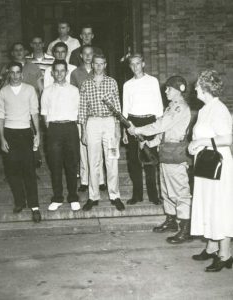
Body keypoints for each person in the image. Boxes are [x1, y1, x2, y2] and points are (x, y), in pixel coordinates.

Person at [127, 76, 192, 244]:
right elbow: (163, 133)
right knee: (166, 190)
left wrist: (137, 129)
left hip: (175, 152)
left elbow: (161, 126)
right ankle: (171, 220)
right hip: (166, 151)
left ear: (179, 90)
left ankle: (185, 228)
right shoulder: (171, 107)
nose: (166, 91)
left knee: (180, 191)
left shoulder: (180, 108)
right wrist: (151, 142)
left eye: (169, 88)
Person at [188, 70, 233, 272]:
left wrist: (201, 142)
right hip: (206, 165)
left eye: (197, 85)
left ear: (205, 88)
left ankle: (225, 255)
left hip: (219, 166)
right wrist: (193, 145)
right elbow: (200, 135)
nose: (194, 88)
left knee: (220, 208)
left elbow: (227, 139)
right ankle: (212, 246)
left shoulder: (219, 109)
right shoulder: (205, 109)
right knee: (208, 206)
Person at [0, 62, 41, 223]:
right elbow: (0, 116)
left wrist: (37, 134)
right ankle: (20, 201)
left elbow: (34, 113)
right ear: (9, 74)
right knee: (12, 171)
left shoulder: (29, 90)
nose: (15, 76)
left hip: (25, 132)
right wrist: (2, 139)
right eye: (12, 73)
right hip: (9, 132)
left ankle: (35, 206)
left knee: (29, 170)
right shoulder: (2, 92)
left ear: (22, 74)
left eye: (17, 73)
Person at [79, 54, 125, 211]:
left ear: (105, 65)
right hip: (92, 123)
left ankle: (115, 195)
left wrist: (118, 127)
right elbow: (83, 108)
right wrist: (84, 130)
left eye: (101, 64)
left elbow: (117, 107)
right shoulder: (86, 84)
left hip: (110, 123)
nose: (98, 66)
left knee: (112, 159)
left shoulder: (112, 82)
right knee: (93, 160)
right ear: (92, 65)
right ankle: (93, 196)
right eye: (95, 64)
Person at [122, 54, 163, 205]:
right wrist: (124, 130)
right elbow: (125, 109)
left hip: (150, 121)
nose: (135, 67)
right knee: (134, 161)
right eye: (132, 64)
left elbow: (158, 106)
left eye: (138, 63)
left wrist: (159, 130)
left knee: (150, 160)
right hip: (132, 122)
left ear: (143, 64)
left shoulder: (153, 81)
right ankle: (137, 195)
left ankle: (153, 196)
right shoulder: (127, 85)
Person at [41, 60, 80, 211]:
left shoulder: (74, 90)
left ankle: (73, 197)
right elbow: (44, 113)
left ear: (66, 72)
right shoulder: (47, 91)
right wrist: (51, 130)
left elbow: (78, 112)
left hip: (70, 127)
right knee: (55, 164)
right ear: (52, 73)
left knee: (71, 164)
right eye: (56, 71)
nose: (59, 74)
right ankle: (57, 197)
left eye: (62, 71)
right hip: (54, 129)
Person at [70, 45, 106, 192]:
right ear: (80, 55)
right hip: (83, 115)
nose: (88, 56)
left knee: (98, 148)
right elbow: (72, 95)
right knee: (83, 148)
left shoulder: (99, 70)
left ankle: (100, 179)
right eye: (85, 54)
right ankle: (84, 180)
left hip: (98, 116)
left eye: (90, 53)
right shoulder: (75, 73)